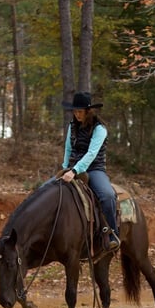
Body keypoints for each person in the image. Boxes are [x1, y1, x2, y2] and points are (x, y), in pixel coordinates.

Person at [57, 91, 119, 253]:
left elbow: (91, 154)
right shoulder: (72, 126)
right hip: (72, 168)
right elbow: (68, 148)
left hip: (94, 169)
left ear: (88, 111)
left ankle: (112, 234)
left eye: (80, 111)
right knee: (46, 189)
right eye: (75, 111)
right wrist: (65, 168)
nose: (76, 114)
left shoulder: (100, 129)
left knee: (107, 195)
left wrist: (76, 170)